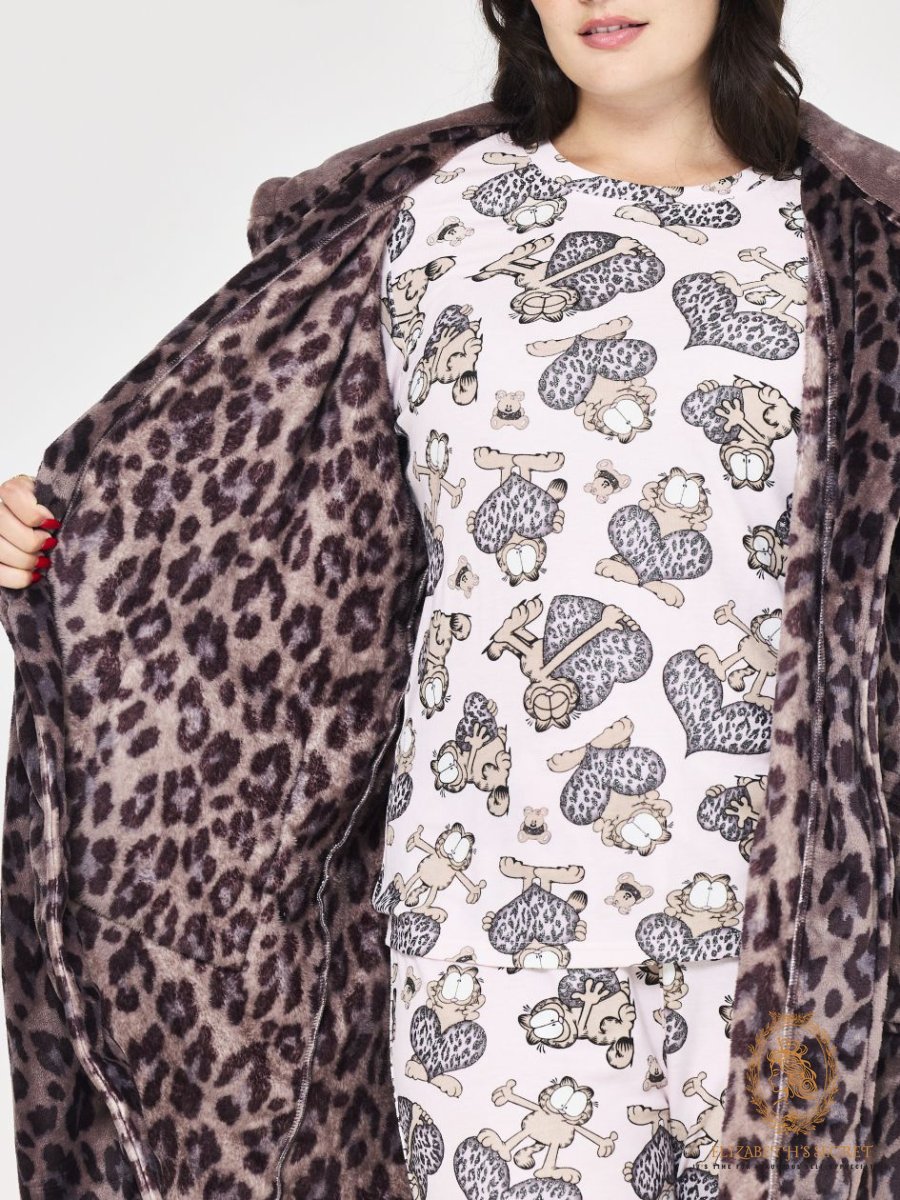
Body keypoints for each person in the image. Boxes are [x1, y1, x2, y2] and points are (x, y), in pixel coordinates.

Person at [3, 4, 900, 1200]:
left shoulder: (862, 241)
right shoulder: (432, 220)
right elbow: (258, 526)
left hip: (797, 935)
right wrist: (79, 535)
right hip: (494, 925)